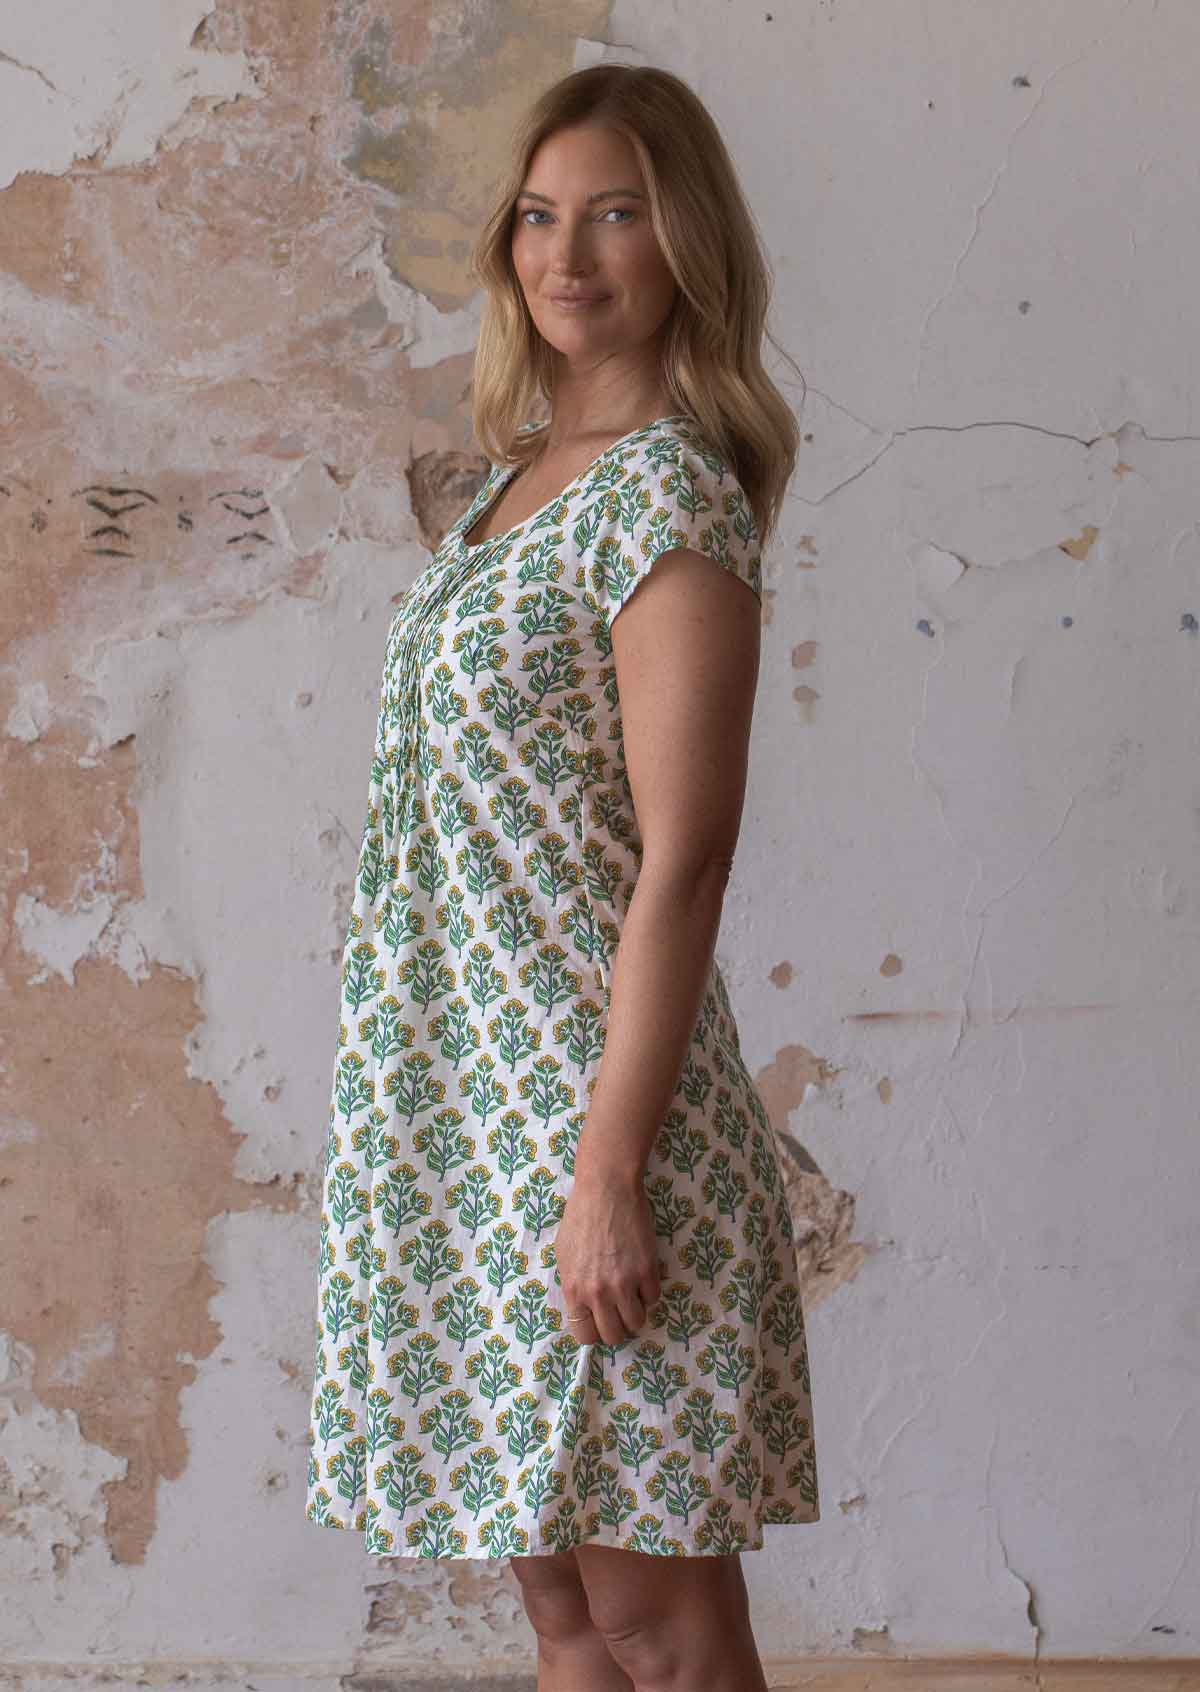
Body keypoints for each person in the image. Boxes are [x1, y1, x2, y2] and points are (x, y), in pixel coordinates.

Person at [306, 61, 819, 1692]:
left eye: (615, 213)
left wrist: (606, 1175)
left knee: (664, 1628)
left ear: (685, 244)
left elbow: (688, 859)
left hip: (596, 1128)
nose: (568, 253)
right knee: (561, 1615)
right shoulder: (508, 488)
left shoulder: (664, 494)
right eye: (539, 214)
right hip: (470, 1125)